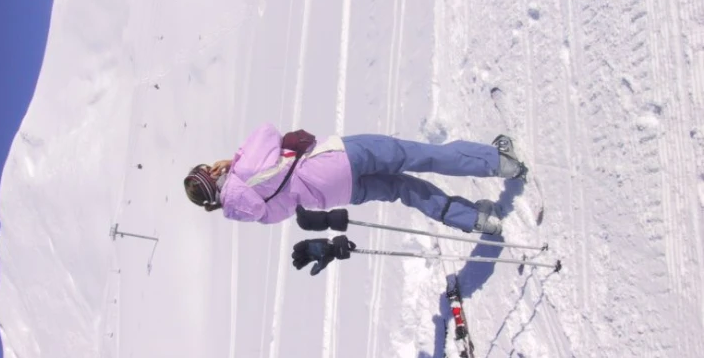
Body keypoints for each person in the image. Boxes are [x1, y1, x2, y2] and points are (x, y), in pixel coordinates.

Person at [183, 123, 527, 236]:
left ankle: (476, 220)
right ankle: (499, 162)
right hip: (338, 159)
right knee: (415, 155)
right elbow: (267, 132)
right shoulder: (242, 172)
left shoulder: (249, 212)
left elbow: (282, 203)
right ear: (211, 174)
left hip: (339, 192)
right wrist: (234, 160)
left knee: (405, 190)